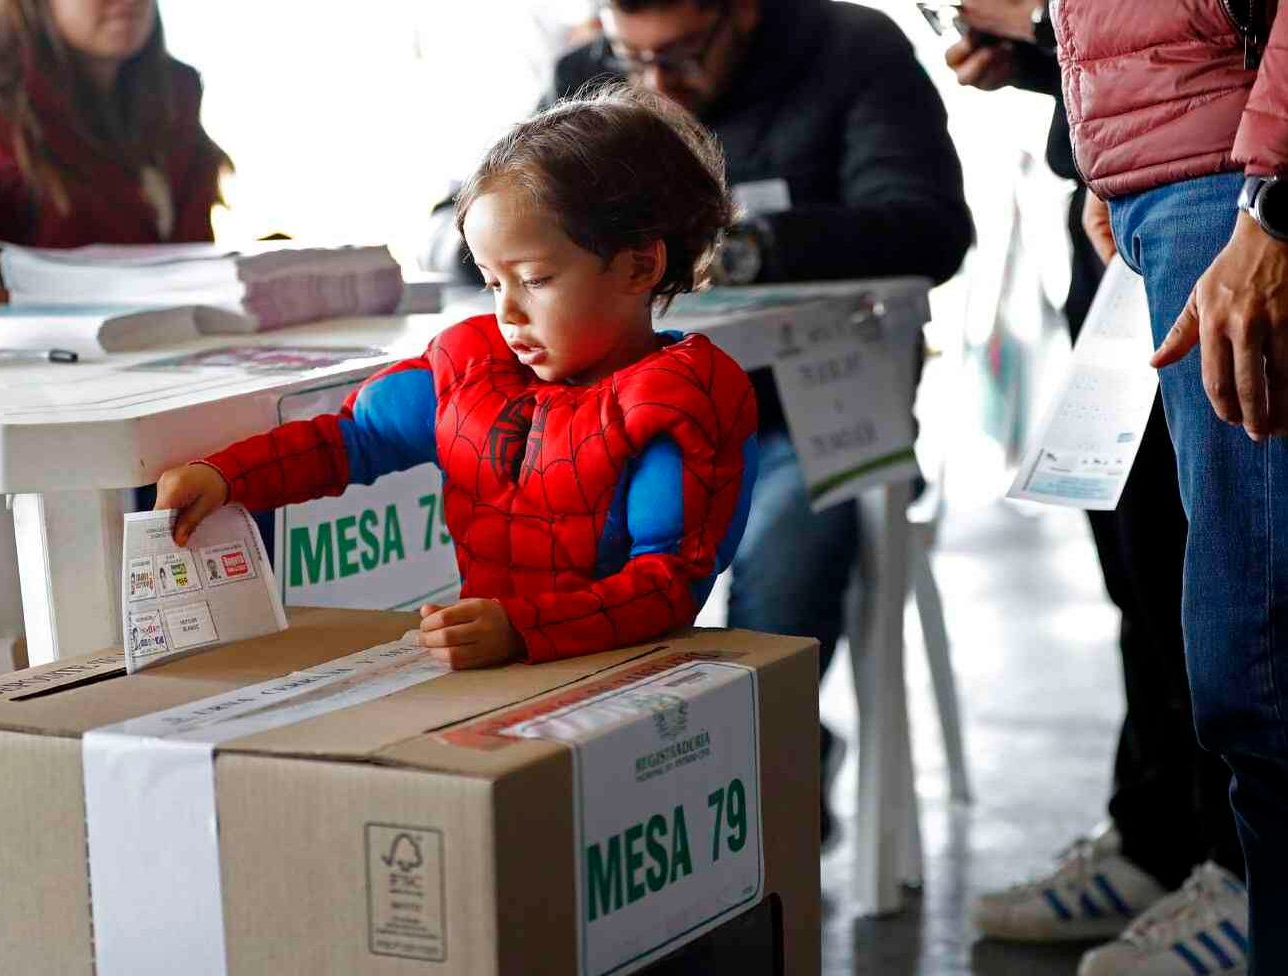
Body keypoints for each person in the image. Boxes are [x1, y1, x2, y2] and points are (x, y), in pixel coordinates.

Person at [433, 0, 969, 837]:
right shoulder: (589, 82)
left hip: (806, 413)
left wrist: (733, 247)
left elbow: (928, 228)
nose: (654, 83)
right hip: (619, 418)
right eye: (630, 55)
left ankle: (759, 772)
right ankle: (601, 786)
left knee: (783, 554)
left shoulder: (850, 49)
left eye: (680, 54)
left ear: (743, 12)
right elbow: (462, 221)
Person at [157, 86, 758, 666]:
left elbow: (668, 583)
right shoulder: (472, 368)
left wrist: (523, 631)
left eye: (536, 279)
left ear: (639, 265)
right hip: (494, 674)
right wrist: (226, 475)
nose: (508, 311)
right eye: (494, 282)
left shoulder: (681, 399)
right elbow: (350, 439)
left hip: (619, 676)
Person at [940, 11, 1248, 973]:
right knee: (1142, 559)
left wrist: (1031, 16)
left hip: (1226, 198)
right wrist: (1046, 57)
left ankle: (1245, 872)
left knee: (1235, 579)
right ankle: (1167, 839)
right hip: (1120, 193)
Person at [1048, 1, 1288, 973]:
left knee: (1261, 663)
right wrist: (1110, 149)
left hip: (1236, 177)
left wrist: (1276, 202)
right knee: (1224, 652)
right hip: (1171, 172)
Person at [0, 0, 231, 603]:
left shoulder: (173, 90)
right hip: (37, 434)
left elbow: (186, 260)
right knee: (76, 630)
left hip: (168, 407)